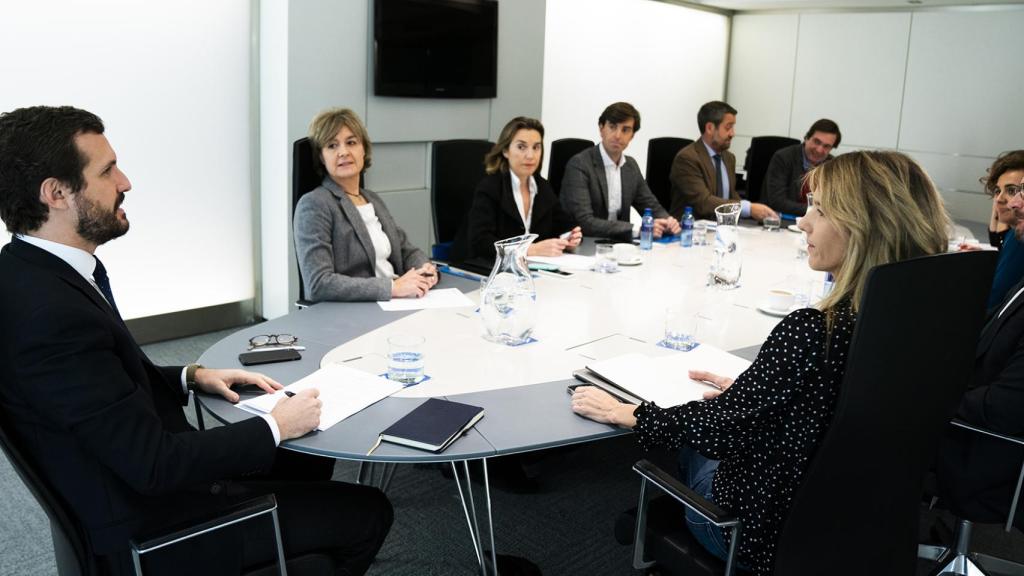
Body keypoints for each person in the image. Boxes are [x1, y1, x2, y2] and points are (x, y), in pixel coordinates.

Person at [0, 106, 392, 575]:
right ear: (57, 193)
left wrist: (192, 376)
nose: (125, 182)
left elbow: (102, 382)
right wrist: (276, 427)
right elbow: (154, 464)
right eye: (107, 170)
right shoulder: (50, 315)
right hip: (157, 526)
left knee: (309, 460)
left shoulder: (32, 273)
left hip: (135, 482)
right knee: (370, 511)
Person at [571, 151, 949, 574]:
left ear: (864, 226)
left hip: (757, 533)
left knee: (690, 430)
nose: (803, 222)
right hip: (866, 523)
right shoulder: (927, 320)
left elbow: (718, 430)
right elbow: (841, 407)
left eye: (819, 210)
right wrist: (758, 391)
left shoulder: (815, 332)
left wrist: (634, 414)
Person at [937, 164, 1024, 529]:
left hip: (983, 452)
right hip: (975, 425)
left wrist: (927, 396)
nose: (1014, 206)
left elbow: (1006, 407)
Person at [294, 107, 437, 302]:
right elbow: (318, 283)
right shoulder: (314, 204)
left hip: (396, 302)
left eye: (351, 142)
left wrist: (424, 269)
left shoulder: (372, 199)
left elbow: (406, 250)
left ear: (364, 150)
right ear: (321, 157)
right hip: (356, 312)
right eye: (332, 146)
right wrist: (392, 287)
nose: (343, 152)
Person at [455, 116, 582, 261]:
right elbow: (481, 243)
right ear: (505, 151)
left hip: (532, 270)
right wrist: (530, 250)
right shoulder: (489, 188)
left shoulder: (543, 187)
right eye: (521, 147)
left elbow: (564, 224)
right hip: (484, 271)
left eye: (536, 147)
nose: (530, 155)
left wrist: (570, 237)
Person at [559, 102, 681, 241]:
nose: (618, 135)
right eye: (612, 127)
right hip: (583, 243)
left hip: (619, 245)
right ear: (601, 129)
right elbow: (584, 222)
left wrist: (667, 222)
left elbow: (650, 204)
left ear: (632, 136)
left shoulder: (630, 166)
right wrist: (637, 229)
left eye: (625, 130)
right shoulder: (580, 164)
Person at [668, 101, 777, 222]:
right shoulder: (687, 158)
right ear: (710, 128)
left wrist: (756, 211)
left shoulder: (729, 158)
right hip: (691, 231)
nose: (732, 133)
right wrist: (748, 208)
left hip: (723, 229)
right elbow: (704, 202)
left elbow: (732, 197)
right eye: (728, 127)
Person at [960, 151, 1024, 311]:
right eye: (997, 191)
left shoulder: (1020, 241)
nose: (999, 199)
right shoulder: (1014, 233)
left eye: (1011, 190)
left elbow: (993, 299)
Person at [761, 119, 841, 216]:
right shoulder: (783, 157)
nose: (819, 150)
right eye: (816, 142)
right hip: (780, 220)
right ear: (807, 138)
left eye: (826, 146)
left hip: (817, 224)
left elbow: (836, 204)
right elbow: (778, 202)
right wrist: (817, 211)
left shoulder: (833, 166)